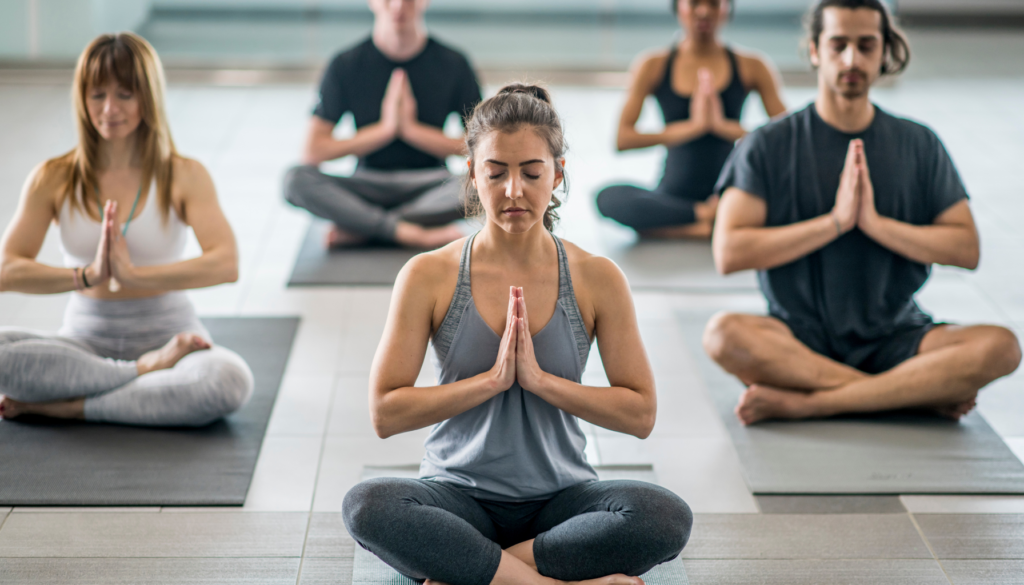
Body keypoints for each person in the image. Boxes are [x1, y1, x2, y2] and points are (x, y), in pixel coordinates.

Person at [342, 85, 692, 584]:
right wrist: (489, 382)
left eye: (531, 173)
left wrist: (541, 382)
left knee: (664, 517)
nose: (513, 191)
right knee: (367, 505)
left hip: (560, 502)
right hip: (457, 497)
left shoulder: (597, 277)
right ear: (471, 174)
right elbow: (384, 412)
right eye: (496, 172)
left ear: (558, 174)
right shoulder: (428, 275)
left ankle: (477, 569)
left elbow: (640, 413)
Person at [702, 0, 1021, 425]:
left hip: (897, 337)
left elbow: (966, 248)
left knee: (1002, 346)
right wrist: (835, 222)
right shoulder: (767, 144)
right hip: (798, 339)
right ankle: (908, 393)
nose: (852, 59)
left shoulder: (919, 143)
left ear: (884, 52)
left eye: (866, 45)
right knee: (723, 334)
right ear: (815, 50)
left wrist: (874, 224)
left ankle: (817, 401)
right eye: (839, 45)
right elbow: (729, 252)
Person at [0, 33, 253, 426]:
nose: (109, 109)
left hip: (172, 337)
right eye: (97, 95)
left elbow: (226, 263)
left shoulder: (184, 175)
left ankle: (70, 405)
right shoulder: (52, 177)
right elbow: (6, 270)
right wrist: (88, 275)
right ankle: (140, 375)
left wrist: (134, 276)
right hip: (83, 344)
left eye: (125, 95)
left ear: (147, 98)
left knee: (227, 381)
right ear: (82, 99)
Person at [283, 0, 482, 250]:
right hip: (366, 185)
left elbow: (483, 149)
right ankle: (410, 231)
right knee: (294, 180)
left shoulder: (454, 64)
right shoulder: (345, 64)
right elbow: (313, 151)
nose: (398, 6)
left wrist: (411, 130)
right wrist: (385, 130)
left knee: (489, 182)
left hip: (431, 184)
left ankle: (364, 227)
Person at [596, 0, 786, 239]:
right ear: (679, 7)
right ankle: (705, 219)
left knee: (792, 197)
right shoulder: (653, 65)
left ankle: (678, 227)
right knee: (607, 197)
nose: (704, 11)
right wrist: (692, 128)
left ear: (727, 8)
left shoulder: (753, 66)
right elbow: (622, 138)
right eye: (695, 2)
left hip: (733, 193)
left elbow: (786, 140)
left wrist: (722, 127)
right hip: (673, 197)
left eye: (714, 3)